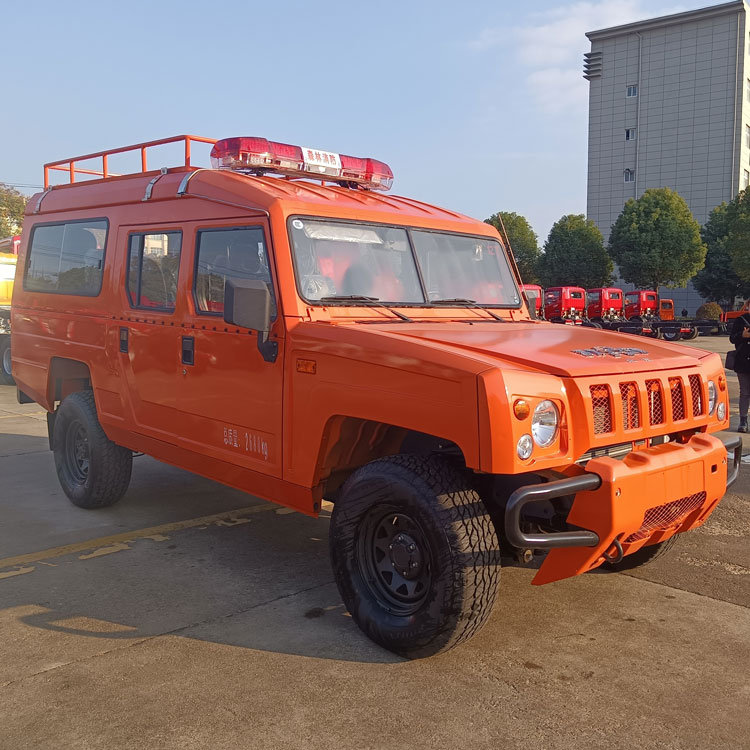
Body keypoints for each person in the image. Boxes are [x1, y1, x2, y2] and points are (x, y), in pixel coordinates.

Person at [729, 304, 750, 432]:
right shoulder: (740, 320)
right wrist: (742, 335)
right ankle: (743, 421)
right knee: (745, 392)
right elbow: (732, 338)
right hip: (743, 362)